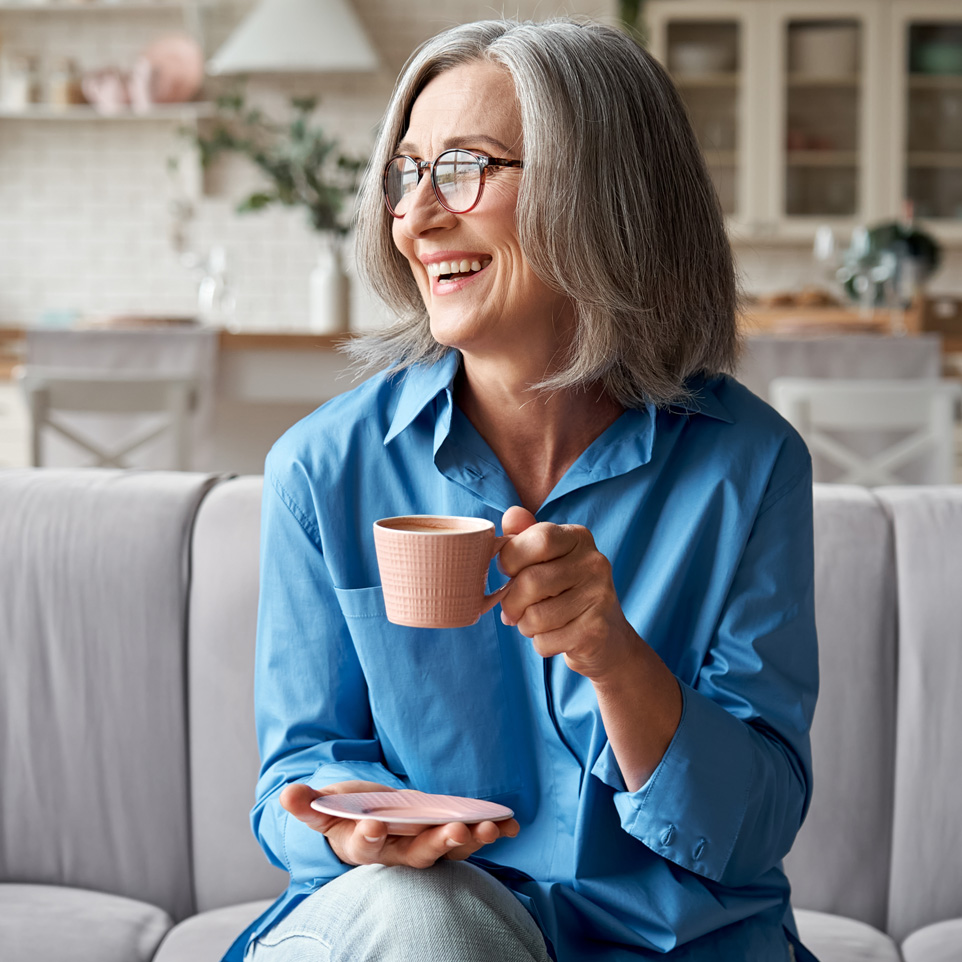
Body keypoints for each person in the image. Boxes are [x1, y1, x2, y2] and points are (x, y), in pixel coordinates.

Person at [223, 17, 819, 962]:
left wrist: (614, 656)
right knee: (428, 925)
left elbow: (753, 831)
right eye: (405, 174)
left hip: (673, 945)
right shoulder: (323, 469)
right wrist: (345, 828)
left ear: (604, 195)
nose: (416, 218)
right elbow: (296, 775)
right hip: (415, 924)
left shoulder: (748, 467)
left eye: (463, 167)